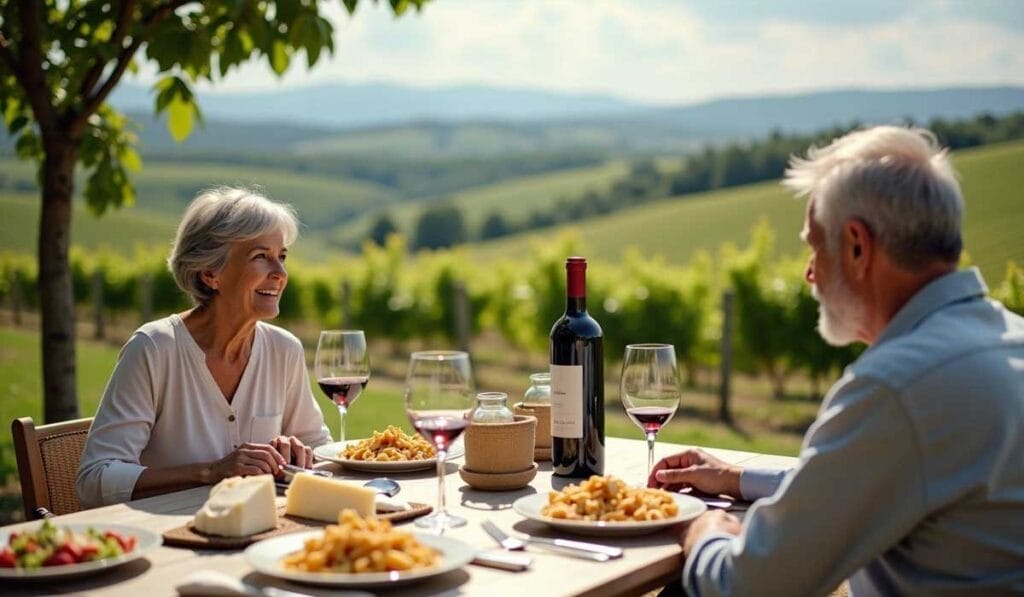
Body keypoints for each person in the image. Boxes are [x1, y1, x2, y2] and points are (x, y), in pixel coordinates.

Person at [649, 126, 1024, 595]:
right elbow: (876, 478)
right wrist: (738, 478)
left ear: (857, 247)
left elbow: (745, 587)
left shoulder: (897, 387)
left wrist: (700, 532)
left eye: (814, 245)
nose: (809, 271)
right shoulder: (1007, 340)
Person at [77, 187, 331, 508]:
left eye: (281, 257)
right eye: (260, 257)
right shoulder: (154, 349)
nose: (280, 274)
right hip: (167, 542)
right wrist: (210, 471)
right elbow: (95, 479)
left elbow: (320, 448)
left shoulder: (284, 350)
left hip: (260, 532)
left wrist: (299, 453)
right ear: (211, 273)